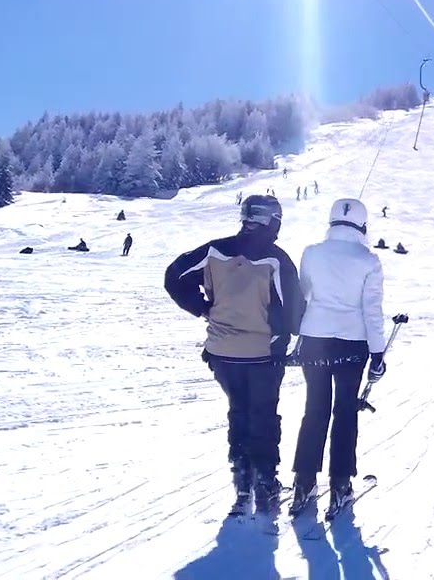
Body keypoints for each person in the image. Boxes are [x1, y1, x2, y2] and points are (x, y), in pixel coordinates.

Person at [164, 195, 303, 517]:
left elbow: (175, 277)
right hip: (263, 355)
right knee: (264, 416)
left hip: (222, 353)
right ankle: (266, 483)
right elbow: (294, 312)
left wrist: (202, 308)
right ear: (272, 221)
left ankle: (242, 481)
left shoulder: (214, 250)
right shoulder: (276, 259)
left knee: (239, 411)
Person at [289, 198, 387, 518]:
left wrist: (295, 336)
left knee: (314, 408)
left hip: (315, 340)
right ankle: (341, 484)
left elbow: (302, 297)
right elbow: (372, 311)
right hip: (352, 344)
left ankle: (304, 482)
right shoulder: (369, 260)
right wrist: (377, 353)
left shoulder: (312, 253)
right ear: (362, 224)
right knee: (345, 412)